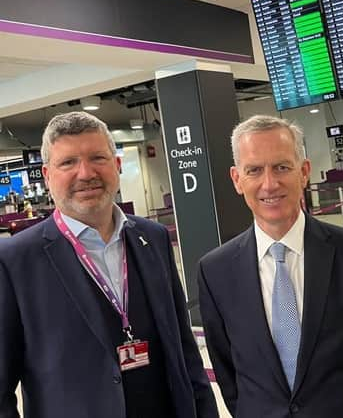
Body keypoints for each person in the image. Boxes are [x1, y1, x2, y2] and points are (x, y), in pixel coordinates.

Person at [0, 111, 218, 418]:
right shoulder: (14, 261)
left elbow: (184, 350)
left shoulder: (151, 238)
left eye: (98, 158)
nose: (86, 173)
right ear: (47, 176)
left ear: (116, 166)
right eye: (68, 162)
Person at [198, 115, 343, 418]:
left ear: (304, 171)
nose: (269, 184)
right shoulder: (215, 271)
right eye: (254, 170)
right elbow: (229, 373)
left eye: (281, 167)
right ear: (237, 179)